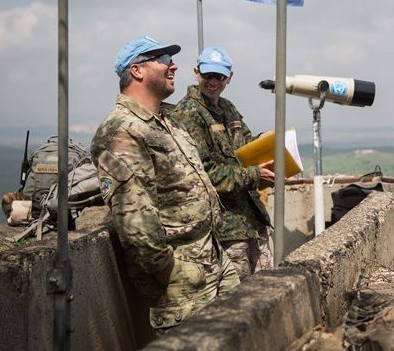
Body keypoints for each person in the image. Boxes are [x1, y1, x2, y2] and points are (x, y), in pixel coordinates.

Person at [90, 36, 239, 331]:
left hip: (214, 259)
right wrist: (171, 271)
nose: (173, 66)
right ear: (137, 71)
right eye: (163, 60)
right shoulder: (122, 131)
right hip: (183, 278)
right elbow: (136, 221)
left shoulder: (165, 120)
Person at [170, 46, 274, 280]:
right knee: (239, 303)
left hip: (252, 220)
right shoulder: (188, 113)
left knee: (267, 291)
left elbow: (246, 147)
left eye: (220, 76)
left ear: (230, 77)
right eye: (208, 75)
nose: (213, 82)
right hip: (225, 229)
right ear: (197, 73)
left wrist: (266, 144)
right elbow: (204, 174)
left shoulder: (227, 108)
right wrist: (255, 176)